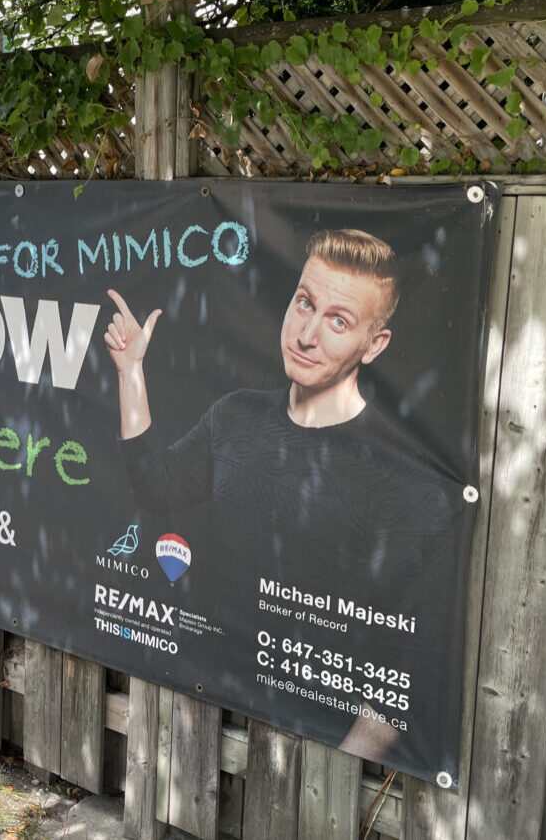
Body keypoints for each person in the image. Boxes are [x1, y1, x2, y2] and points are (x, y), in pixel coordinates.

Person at [103, 227, 460, 771]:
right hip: (207, 720)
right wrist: (131, 373)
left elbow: (403, 678)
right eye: (304, 304)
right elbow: (156, 484)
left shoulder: (405, 482)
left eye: (338, 321)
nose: (307, 334)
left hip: (314, 756)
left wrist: (330, 775)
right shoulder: (236, 415)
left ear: (375, 343)